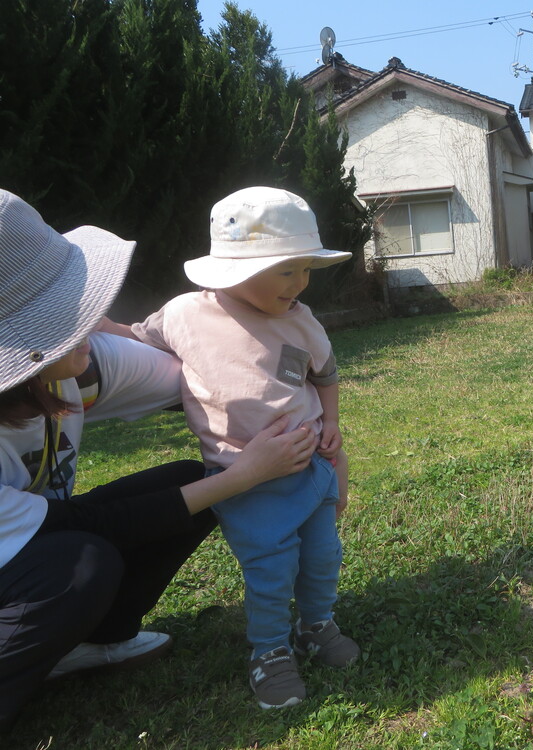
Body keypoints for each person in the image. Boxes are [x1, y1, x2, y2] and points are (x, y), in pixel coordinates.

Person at [0, 189, 319, 733]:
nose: (93, 315)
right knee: (79, 563)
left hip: (29, 555)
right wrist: (243, 476)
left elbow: (206, 376)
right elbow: (81, 525)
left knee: (187, 485)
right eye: (64, 312)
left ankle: (87, 643)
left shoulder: (84, 365)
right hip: (39, 561)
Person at [117, 186, 360, 710]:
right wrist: (87, 324)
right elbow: (135, 337)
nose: (300, 283)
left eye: (306, 269)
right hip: (245, 479)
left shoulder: (301, 318)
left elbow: (326, 373)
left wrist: (335, 426)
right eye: (287, 270)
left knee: (322, 558)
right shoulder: (185, 314)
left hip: (312, 466)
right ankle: (269, 651)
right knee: (270, 572)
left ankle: (316, 625)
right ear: (236, 268)